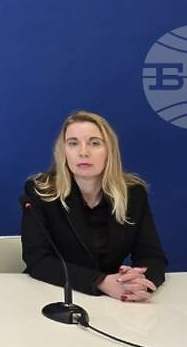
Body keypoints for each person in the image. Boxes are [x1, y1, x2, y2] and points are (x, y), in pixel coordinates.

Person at [22, 110, 168, 302]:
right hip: (56, 296)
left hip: (114, 302)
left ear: (109, 151)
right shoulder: (42, 192)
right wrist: (101, 282)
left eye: (94, 143)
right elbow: (38, 260)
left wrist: (139, 284)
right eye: (73, 143)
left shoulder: (133, 194)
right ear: (64, 152)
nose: (83, 152)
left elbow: (152, 257)